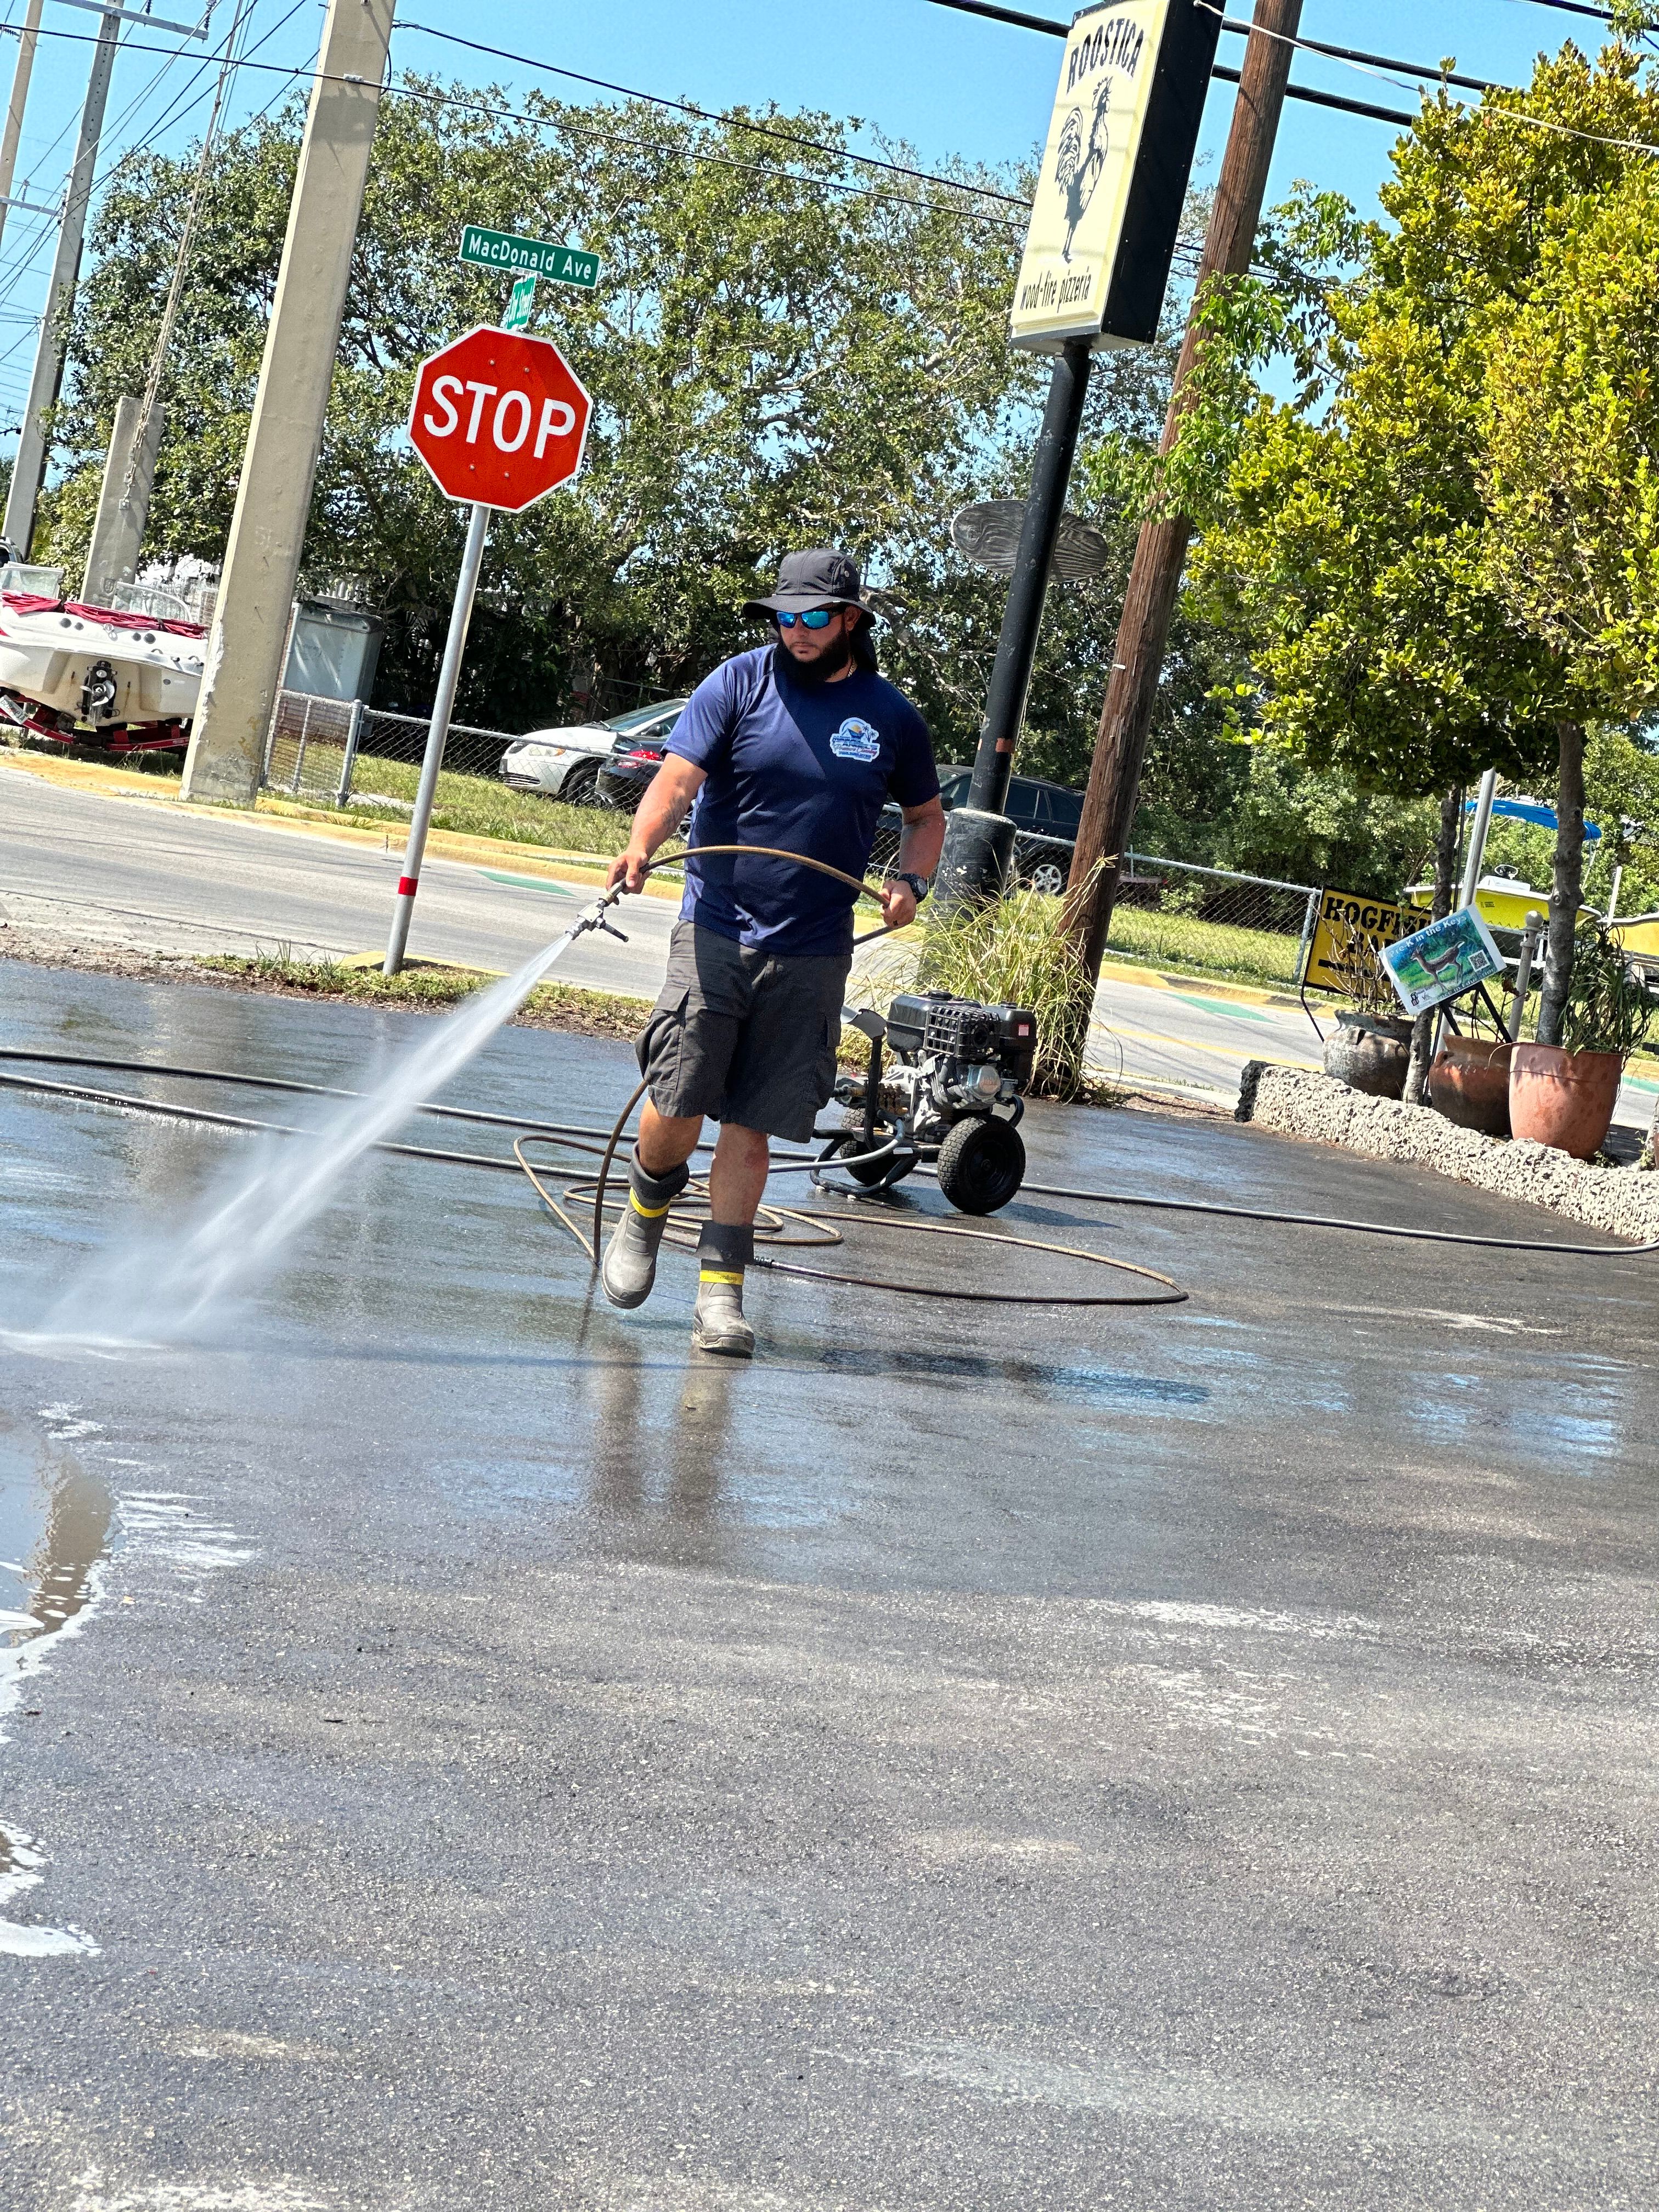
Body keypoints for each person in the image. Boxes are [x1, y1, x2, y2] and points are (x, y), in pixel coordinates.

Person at [601, 547, 945, 1357]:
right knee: (679, 1099)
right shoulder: (739, 683)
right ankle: (644, 1214)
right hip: (716, 924)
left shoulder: (890, 718)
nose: (795, 631)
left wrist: (911, 881)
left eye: (813, 618)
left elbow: (927, 819)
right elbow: (678, 779)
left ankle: (720, 1296)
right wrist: (642, 843)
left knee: (753, 1125)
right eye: (784, 617)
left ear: (851, 620)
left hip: (814, 948)